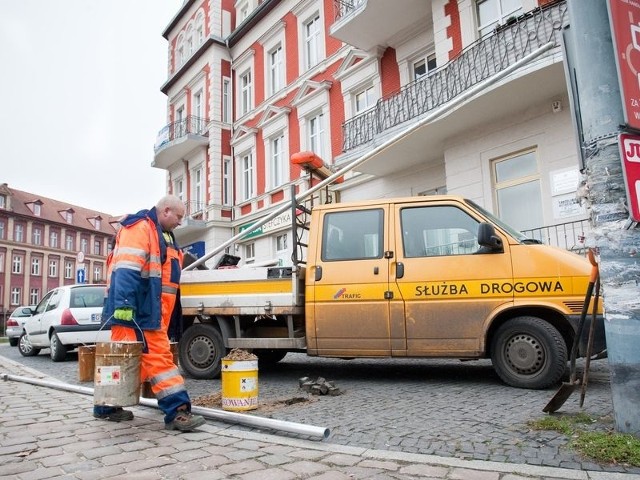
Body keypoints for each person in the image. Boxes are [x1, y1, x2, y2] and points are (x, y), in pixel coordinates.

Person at [93, 195, 205, 432]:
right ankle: (177, 411)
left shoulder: (164, 234)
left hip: (151, 312)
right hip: (137, 312)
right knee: (158, 359)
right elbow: (126, 267)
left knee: (126, 361)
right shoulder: (140, 227)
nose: (180, 222)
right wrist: (124, 305)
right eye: (178, 216)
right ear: (165, 211)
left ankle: (105, 406)